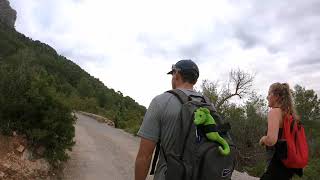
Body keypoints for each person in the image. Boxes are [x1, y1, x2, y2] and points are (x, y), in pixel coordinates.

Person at [134, 59, 202, 180]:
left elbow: (145, 156)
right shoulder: (208, 104)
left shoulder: (161, 101)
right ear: (195, 80)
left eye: (172, 74)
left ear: (176, 75)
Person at [259, 82, 302, 180]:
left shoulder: (274, 112)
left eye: (269, 94)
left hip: (277, 165)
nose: (267, 97)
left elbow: (271, 140)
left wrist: (263, 139)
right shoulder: (289, 115)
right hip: (288, 165)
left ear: (277, 96)